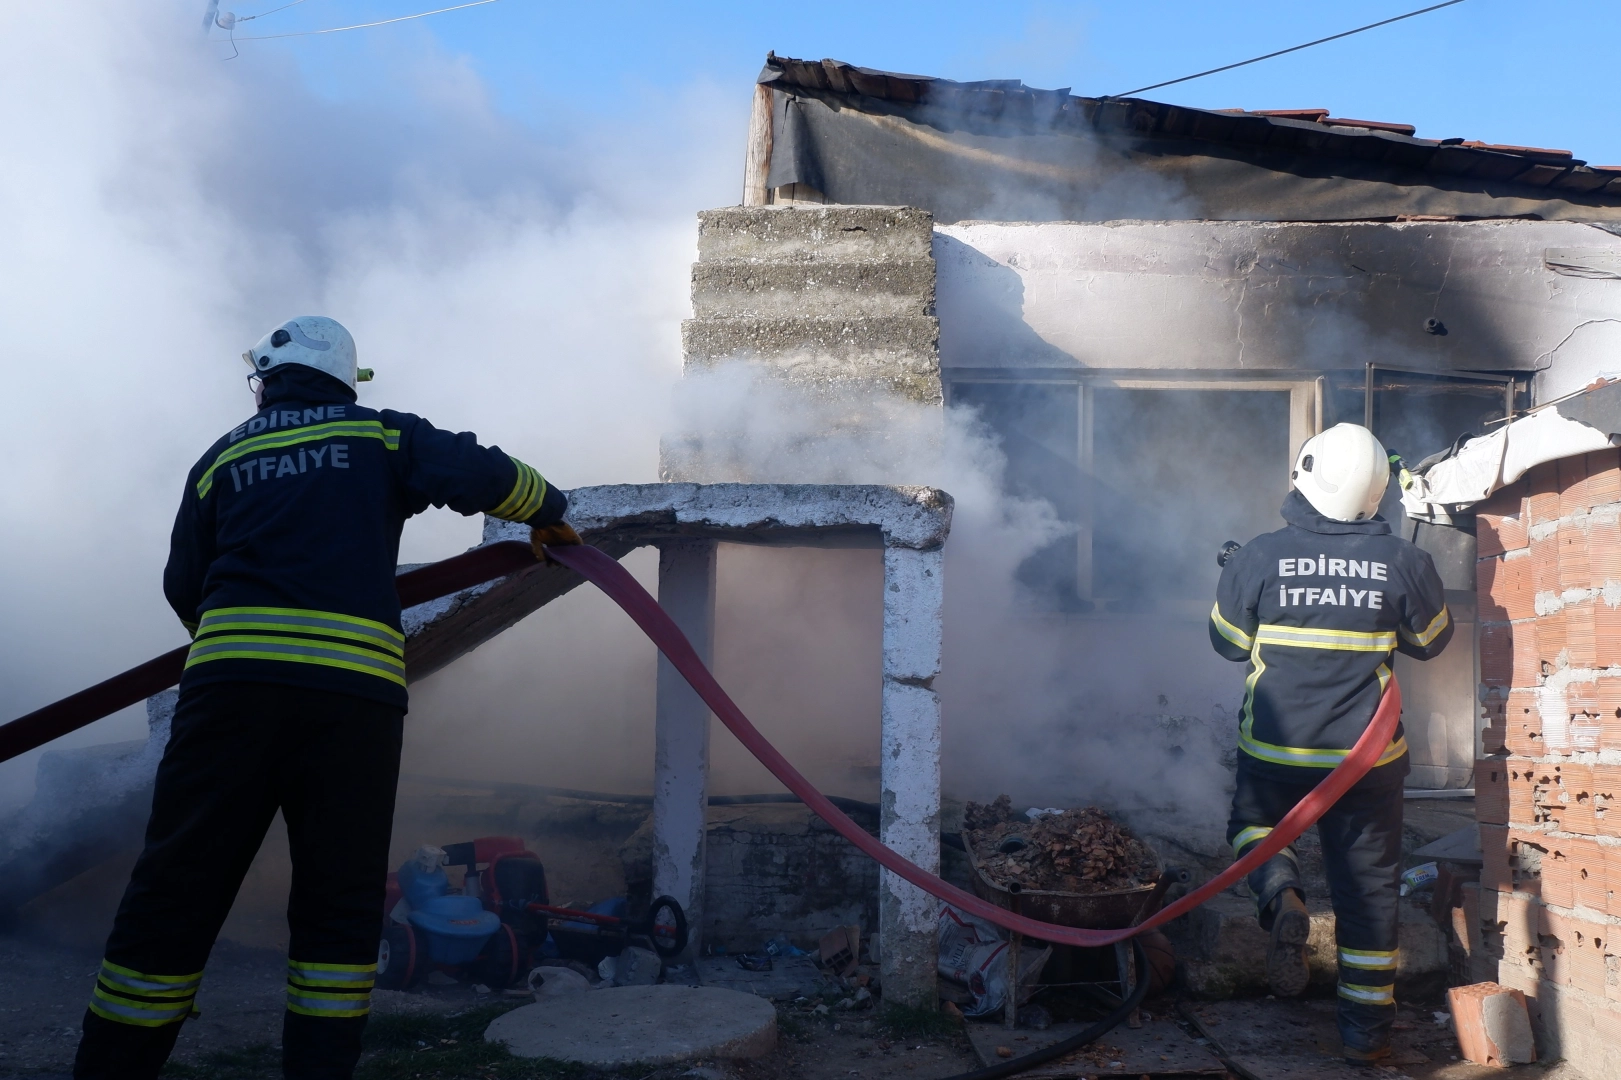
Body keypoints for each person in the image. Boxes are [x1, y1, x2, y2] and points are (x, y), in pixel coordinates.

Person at [74, 317, 580, 1080]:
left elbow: (184, 584)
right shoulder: (381, 437)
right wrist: (551, 513)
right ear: (345, 380)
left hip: (229, 699)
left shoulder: (221, 457)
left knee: (175, 888)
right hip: (350, 705)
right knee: (337, 904)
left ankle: (111, 1068)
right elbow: (487, 474)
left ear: (269, 382)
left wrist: (239, 644)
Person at [1208, 422, 1452, 1066]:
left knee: (1253, 827)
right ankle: (1365, 1035)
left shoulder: (1258, 556)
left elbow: (1228, 644)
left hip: (1276, 751)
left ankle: (1280, 892)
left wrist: (1243, 583)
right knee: (1368, 892)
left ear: (1305, 475)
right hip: (1367, 762)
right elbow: (1431, 642)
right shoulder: (1404, 561)